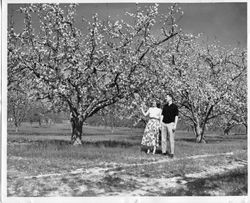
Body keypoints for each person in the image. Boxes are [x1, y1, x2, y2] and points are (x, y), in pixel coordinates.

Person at [160, 93, 179, 158]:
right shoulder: (165, 106)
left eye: (167, 97)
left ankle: (172, 153)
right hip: (164, 123)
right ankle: (164, 152)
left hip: (171, 124)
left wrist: (175, 125)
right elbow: (162, 115)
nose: (166, 98)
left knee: (171, 139)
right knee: (163, 139)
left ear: (170, 98)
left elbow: (176, 116)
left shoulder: (175, 106)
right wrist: (160, 124)